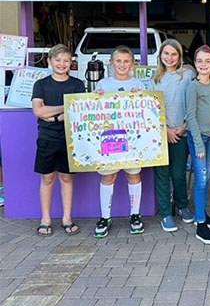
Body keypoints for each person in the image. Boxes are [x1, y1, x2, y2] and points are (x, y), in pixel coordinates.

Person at [32, 44, 85, 236]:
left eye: (66, 60)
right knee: (47, 178)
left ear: (70, 63)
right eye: (58, 60)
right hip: (47, 138)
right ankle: (45, 218)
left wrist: (52, 114)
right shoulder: (41, 85)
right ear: (49, 61)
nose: (62, 64)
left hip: (70, 138)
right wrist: (65, 107)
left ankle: (66, 218)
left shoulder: (77, 84)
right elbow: (38, 111)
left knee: (66, 177)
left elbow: (78, 112)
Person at [93, 45, 146, 238]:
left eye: (126, 61)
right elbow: (94, 113)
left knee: (133, 175)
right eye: (118, 61)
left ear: (132, 64)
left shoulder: (139, 84)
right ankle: (105, 216)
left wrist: (140, 96)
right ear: (111, 63)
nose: (122, 65)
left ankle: (135, 214)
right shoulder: (103, 85)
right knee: (108, 177)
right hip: (110, 140)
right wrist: (95, 100)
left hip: (132, 140)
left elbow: (146, 111)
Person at [150, 39, 194, 232]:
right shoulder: (154, 79)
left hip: (182, 132)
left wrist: (185, 126)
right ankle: (166, 213)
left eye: (174, 54)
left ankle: (182, 205)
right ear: (160, 56)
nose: (170, 58)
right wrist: (164, 129)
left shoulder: (188, 75)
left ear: (180, 56)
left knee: (178, 174)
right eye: (166, 54)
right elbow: (151, 108)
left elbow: (194, 102)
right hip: (161, 134)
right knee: (162, 174)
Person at [186, 45, 210, 244]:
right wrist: (198, 145)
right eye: (200, 61)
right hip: (198, 139)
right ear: (195, 64)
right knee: (200, 180)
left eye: (208, 61)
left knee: (206, 180)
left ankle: (202, 212)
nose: (204, 65)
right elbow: (190, 115)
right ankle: (200, 224)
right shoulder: (193, 86)